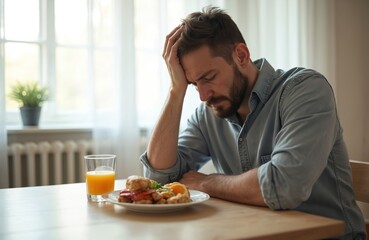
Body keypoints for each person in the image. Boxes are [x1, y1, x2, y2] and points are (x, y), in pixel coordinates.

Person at [139, 6, 366, 239]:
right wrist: (176, 90)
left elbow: (283, 187)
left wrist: (206, 182)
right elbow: (158, 179)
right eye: (193, 84)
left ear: (241, 56)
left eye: (208, 78)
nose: (203, 95)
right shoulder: (208, 113)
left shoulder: (305, 90)